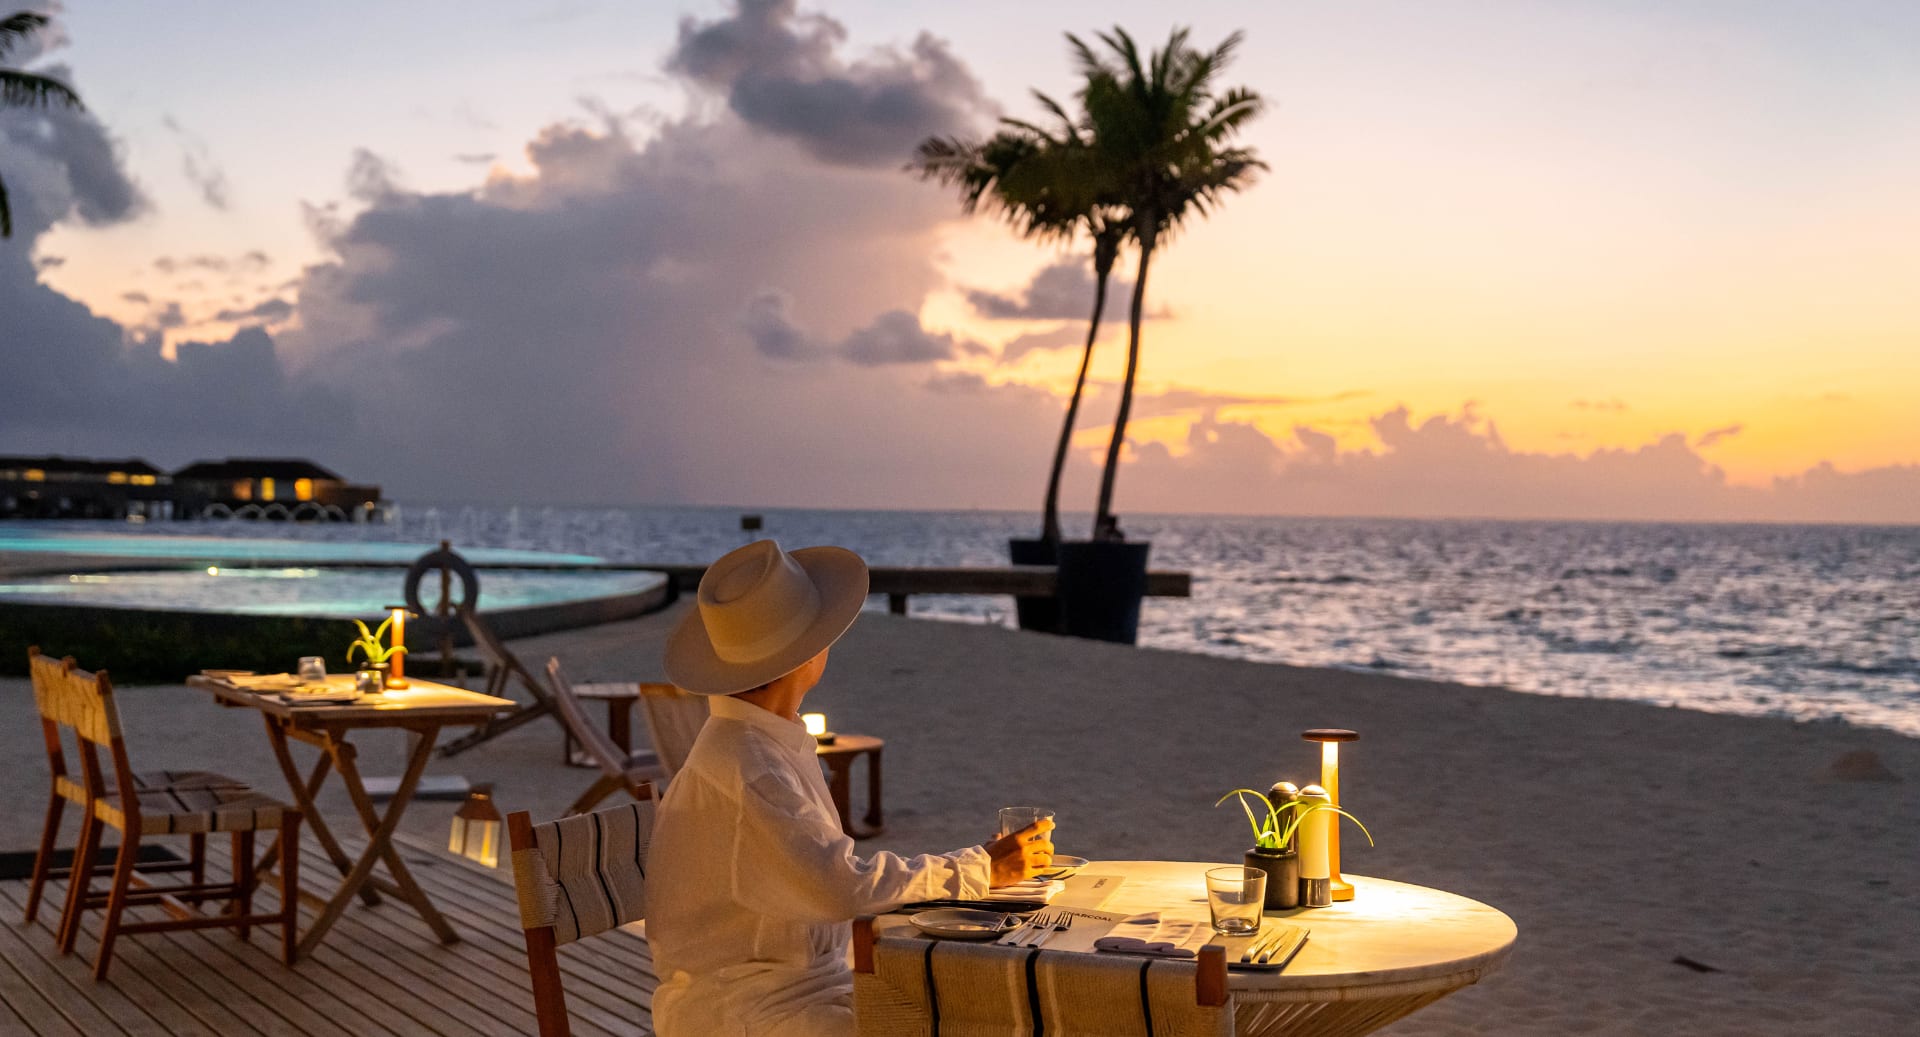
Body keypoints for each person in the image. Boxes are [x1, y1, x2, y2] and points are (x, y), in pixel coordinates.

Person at [648, 540, 1054, 1037]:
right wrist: (979, 868)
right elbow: (839, 887)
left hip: (796, 985)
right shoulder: (750, 766)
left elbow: (829, 881)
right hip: (751, 1008)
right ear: (805, 656)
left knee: (969, 1008)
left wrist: (977, 869)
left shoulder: (759, 742)